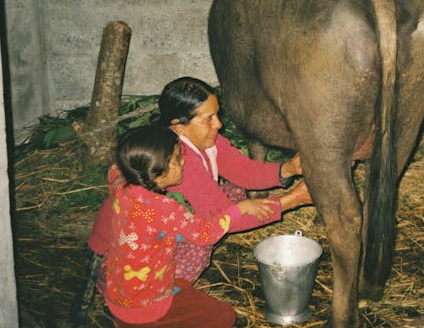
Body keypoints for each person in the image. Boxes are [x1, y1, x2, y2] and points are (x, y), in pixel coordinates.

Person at [86, 76, 310, 282]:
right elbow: (226, 220)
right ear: (179, 126)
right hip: (122, 257)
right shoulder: (180, 162)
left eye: (217, 114)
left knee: (235, 192)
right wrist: (293, 199)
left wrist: (288, 169)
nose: (219, 124)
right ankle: (168, 287)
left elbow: (243, 171)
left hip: (151, 223)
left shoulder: (203, 140)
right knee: (200, 246)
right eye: (208, 118)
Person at [103, 123, 273, 328]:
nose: (183, 161)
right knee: (224, 317)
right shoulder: (164, 209)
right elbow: (205, 235)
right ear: (157, 173)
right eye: (176, 159)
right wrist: (238, 210)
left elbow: (115, 167)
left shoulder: (120, 185)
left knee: (181, 284)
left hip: (117, 296)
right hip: (145, 308)